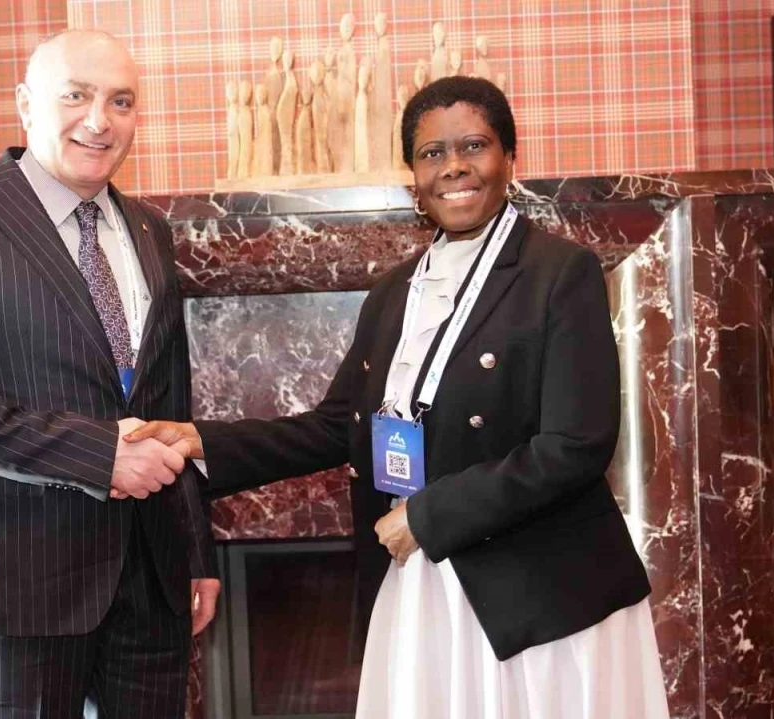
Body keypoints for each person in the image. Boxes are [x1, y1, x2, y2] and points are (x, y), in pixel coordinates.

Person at [126, 76, 669, 719]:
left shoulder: (560, 271)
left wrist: (429, 516)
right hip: (416, 575)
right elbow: (336, 426)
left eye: (474, 146)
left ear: (509, 158)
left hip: (535, 591)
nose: (454, 167)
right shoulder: (393, 292)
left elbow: (574, 445)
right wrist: (200, 440)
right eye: (432, 153)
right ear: (414, 174)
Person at [0, 30, 220, 718]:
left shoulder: (150, 230)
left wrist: (197, 553)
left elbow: (171, 403)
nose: (99, 121)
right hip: (23, 576)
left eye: (121, 101)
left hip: (153, 575)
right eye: (76, 96)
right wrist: (100, 456)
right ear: (26, 104)